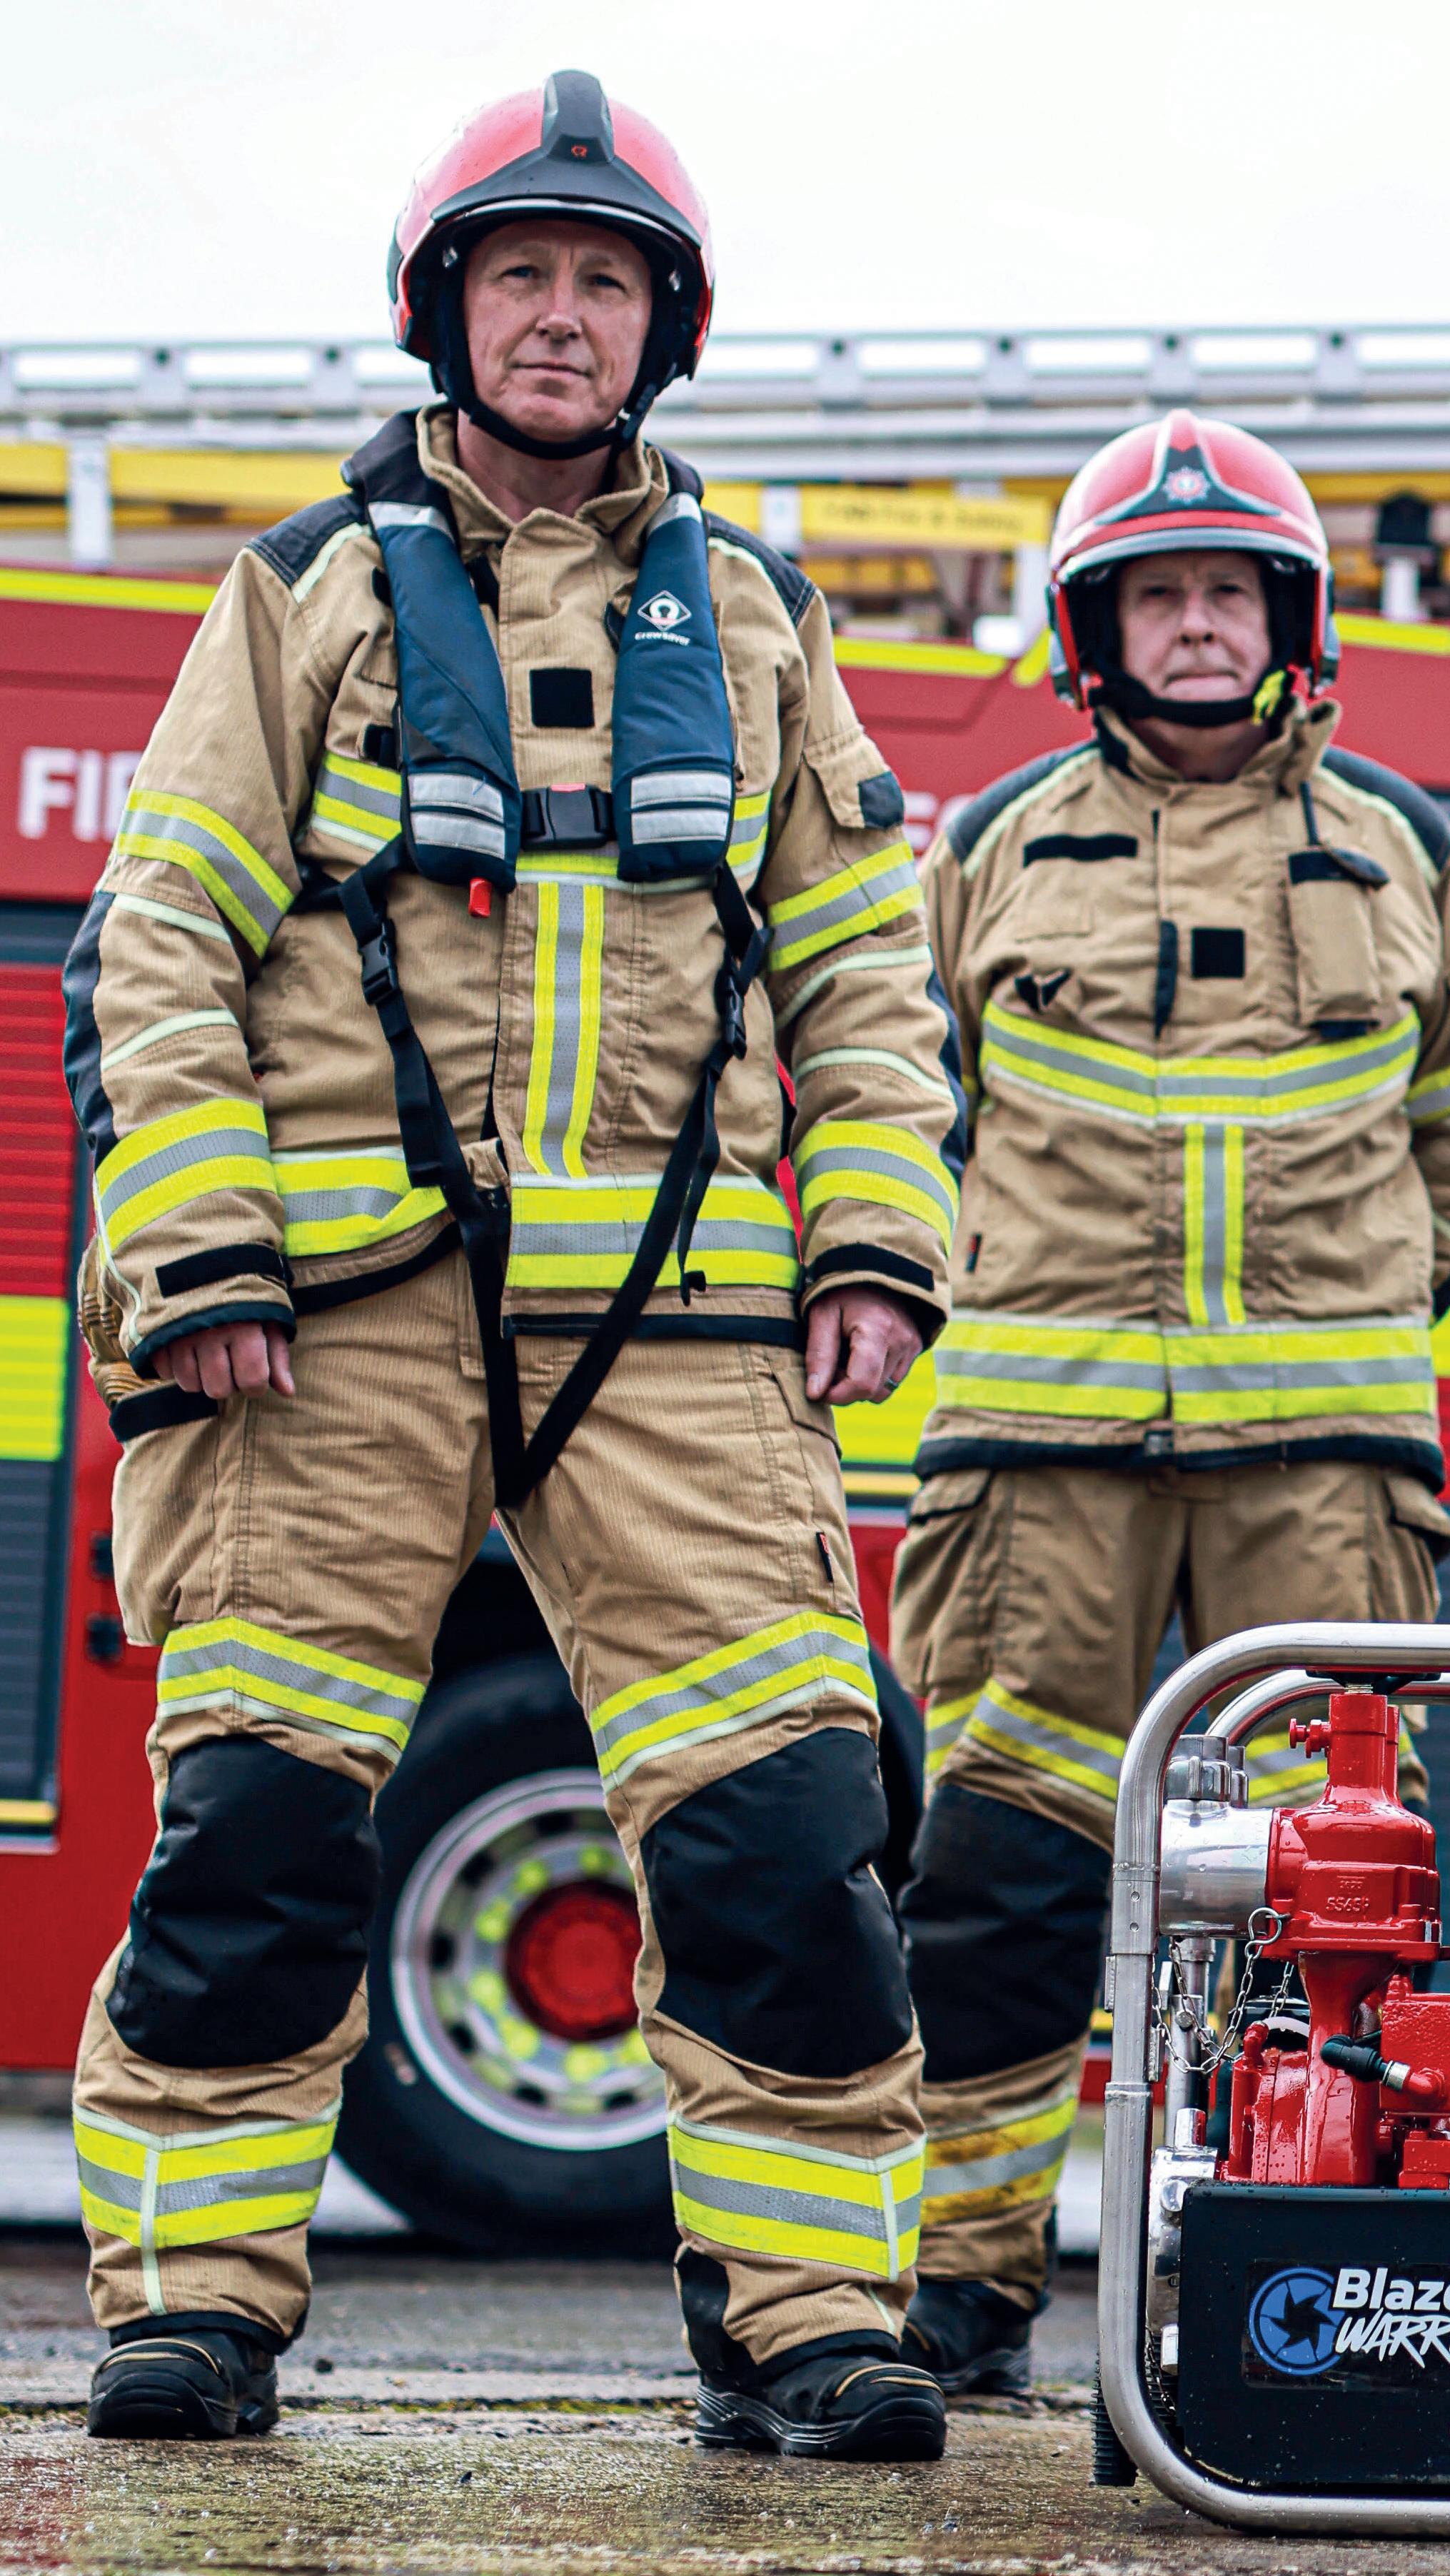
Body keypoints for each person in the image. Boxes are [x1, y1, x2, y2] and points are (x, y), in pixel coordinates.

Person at [61, 74, 967, 2458]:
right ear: (444, 310)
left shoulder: (756, 626)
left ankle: (808, 2316)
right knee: (262, 1827)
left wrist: (878, 1236)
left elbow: (869, 974)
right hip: (329, 1337)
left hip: (681, 1342)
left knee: (786, 1833)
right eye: (522, 273)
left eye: (605, 281)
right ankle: (194, 2304)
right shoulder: (305, 596)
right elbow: (159, 940)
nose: (561, 316)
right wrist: (203, 1252)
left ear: (666, 329)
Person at [887, 413, 1450, 2394]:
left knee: (1337, 1892)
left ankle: (1316, 2280)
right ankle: (960, 2284)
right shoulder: (990, 849)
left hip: (1322, 1466)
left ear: (1291, 620)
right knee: (998, 1879)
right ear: (1092, 630)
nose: (1193, 624)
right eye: (1156, 593)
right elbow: (893, 1102)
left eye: (1227, 592)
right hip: (1040, 1457)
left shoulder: (1407, 850)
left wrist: (1367, 1304)